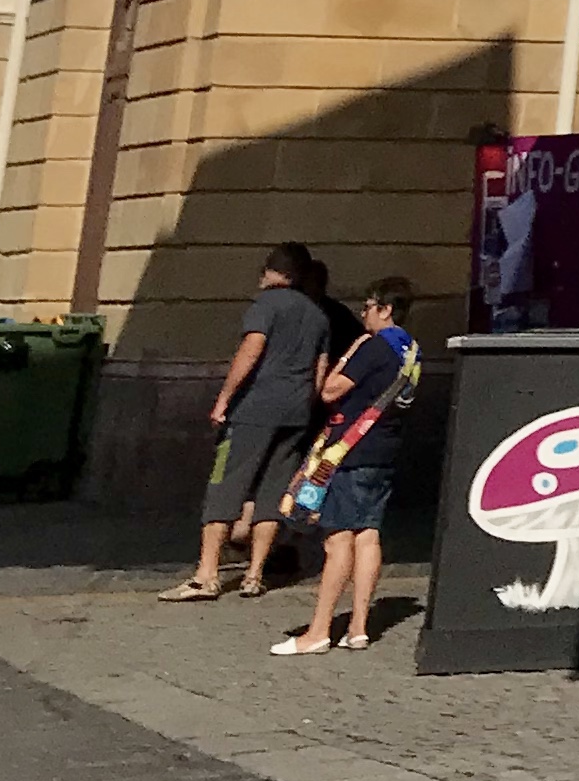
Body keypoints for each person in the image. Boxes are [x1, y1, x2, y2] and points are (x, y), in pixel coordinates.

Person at [164, 243, 326, 602]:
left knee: (225, 484)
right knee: (272, 493)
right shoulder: (317, 315)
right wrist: (304, 405)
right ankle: (254, 575)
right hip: (295, 414)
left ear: (270, 271)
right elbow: (320, 370)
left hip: (254, 410)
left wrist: (224, 397)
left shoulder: (264, 305)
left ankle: (206, 576)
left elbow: (252, 348)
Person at [274, 278, 418, 657]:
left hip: (351, 452)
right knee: (368, 535)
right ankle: (358, 628)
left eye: (368, 306)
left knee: (337, 539)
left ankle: (318, 631)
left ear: (386, 309)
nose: (363, 314)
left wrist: (350, 351)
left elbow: (330, 390)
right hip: (384, 450)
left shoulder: (374, 347)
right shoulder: (411, 350)